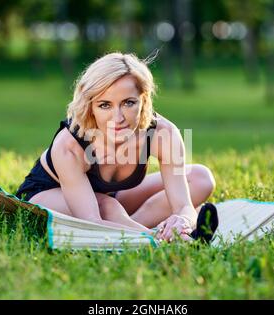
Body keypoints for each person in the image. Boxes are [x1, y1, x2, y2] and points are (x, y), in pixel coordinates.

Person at [16, 52, 217, 243]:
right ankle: (159, 239)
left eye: (128, 103)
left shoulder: (163, 133)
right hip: (47, 195)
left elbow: (183, 205)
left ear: (144, 100)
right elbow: (91, 222)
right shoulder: (69, 145)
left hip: (111, 199)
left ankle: (136, 228)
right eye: (105, 105)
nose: (118, 118)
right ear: (91, 106)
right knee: (107, 207)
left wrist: (183, 219)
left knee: (200, 178)